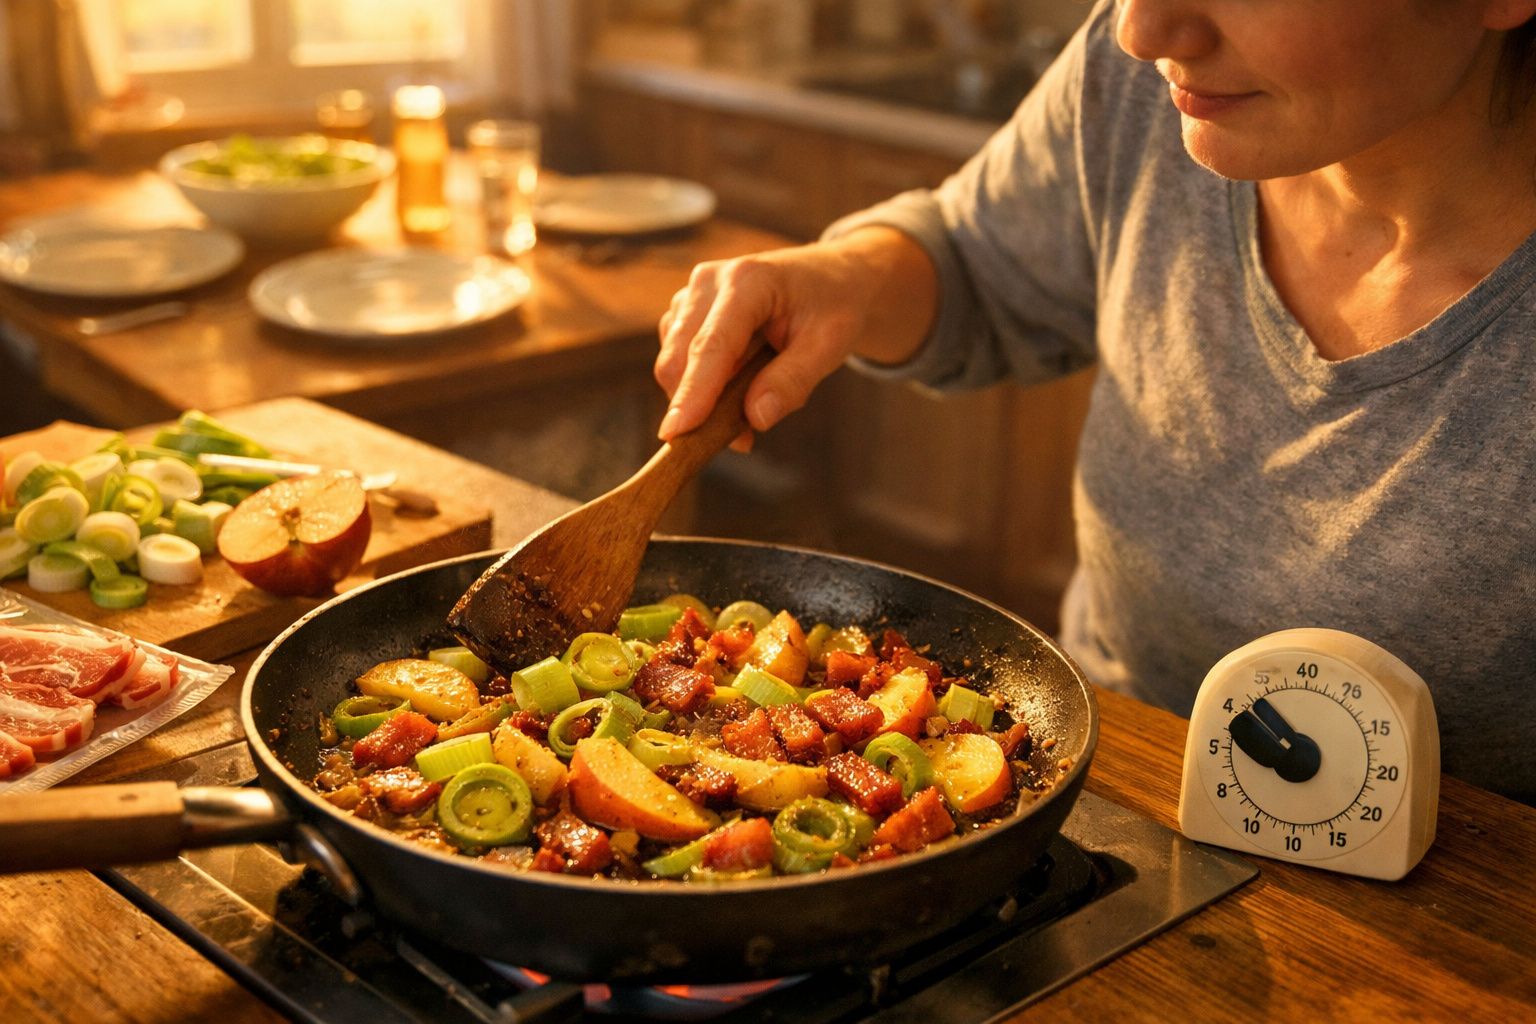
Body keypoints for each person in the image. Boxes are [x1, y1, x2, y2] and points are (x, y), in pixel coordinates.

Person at [650, 0, 1536, 804]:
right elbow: (975, 258)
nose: (1141, 34)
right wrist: (842, 275)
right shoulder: (1153, 89)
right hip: (1109, 781)